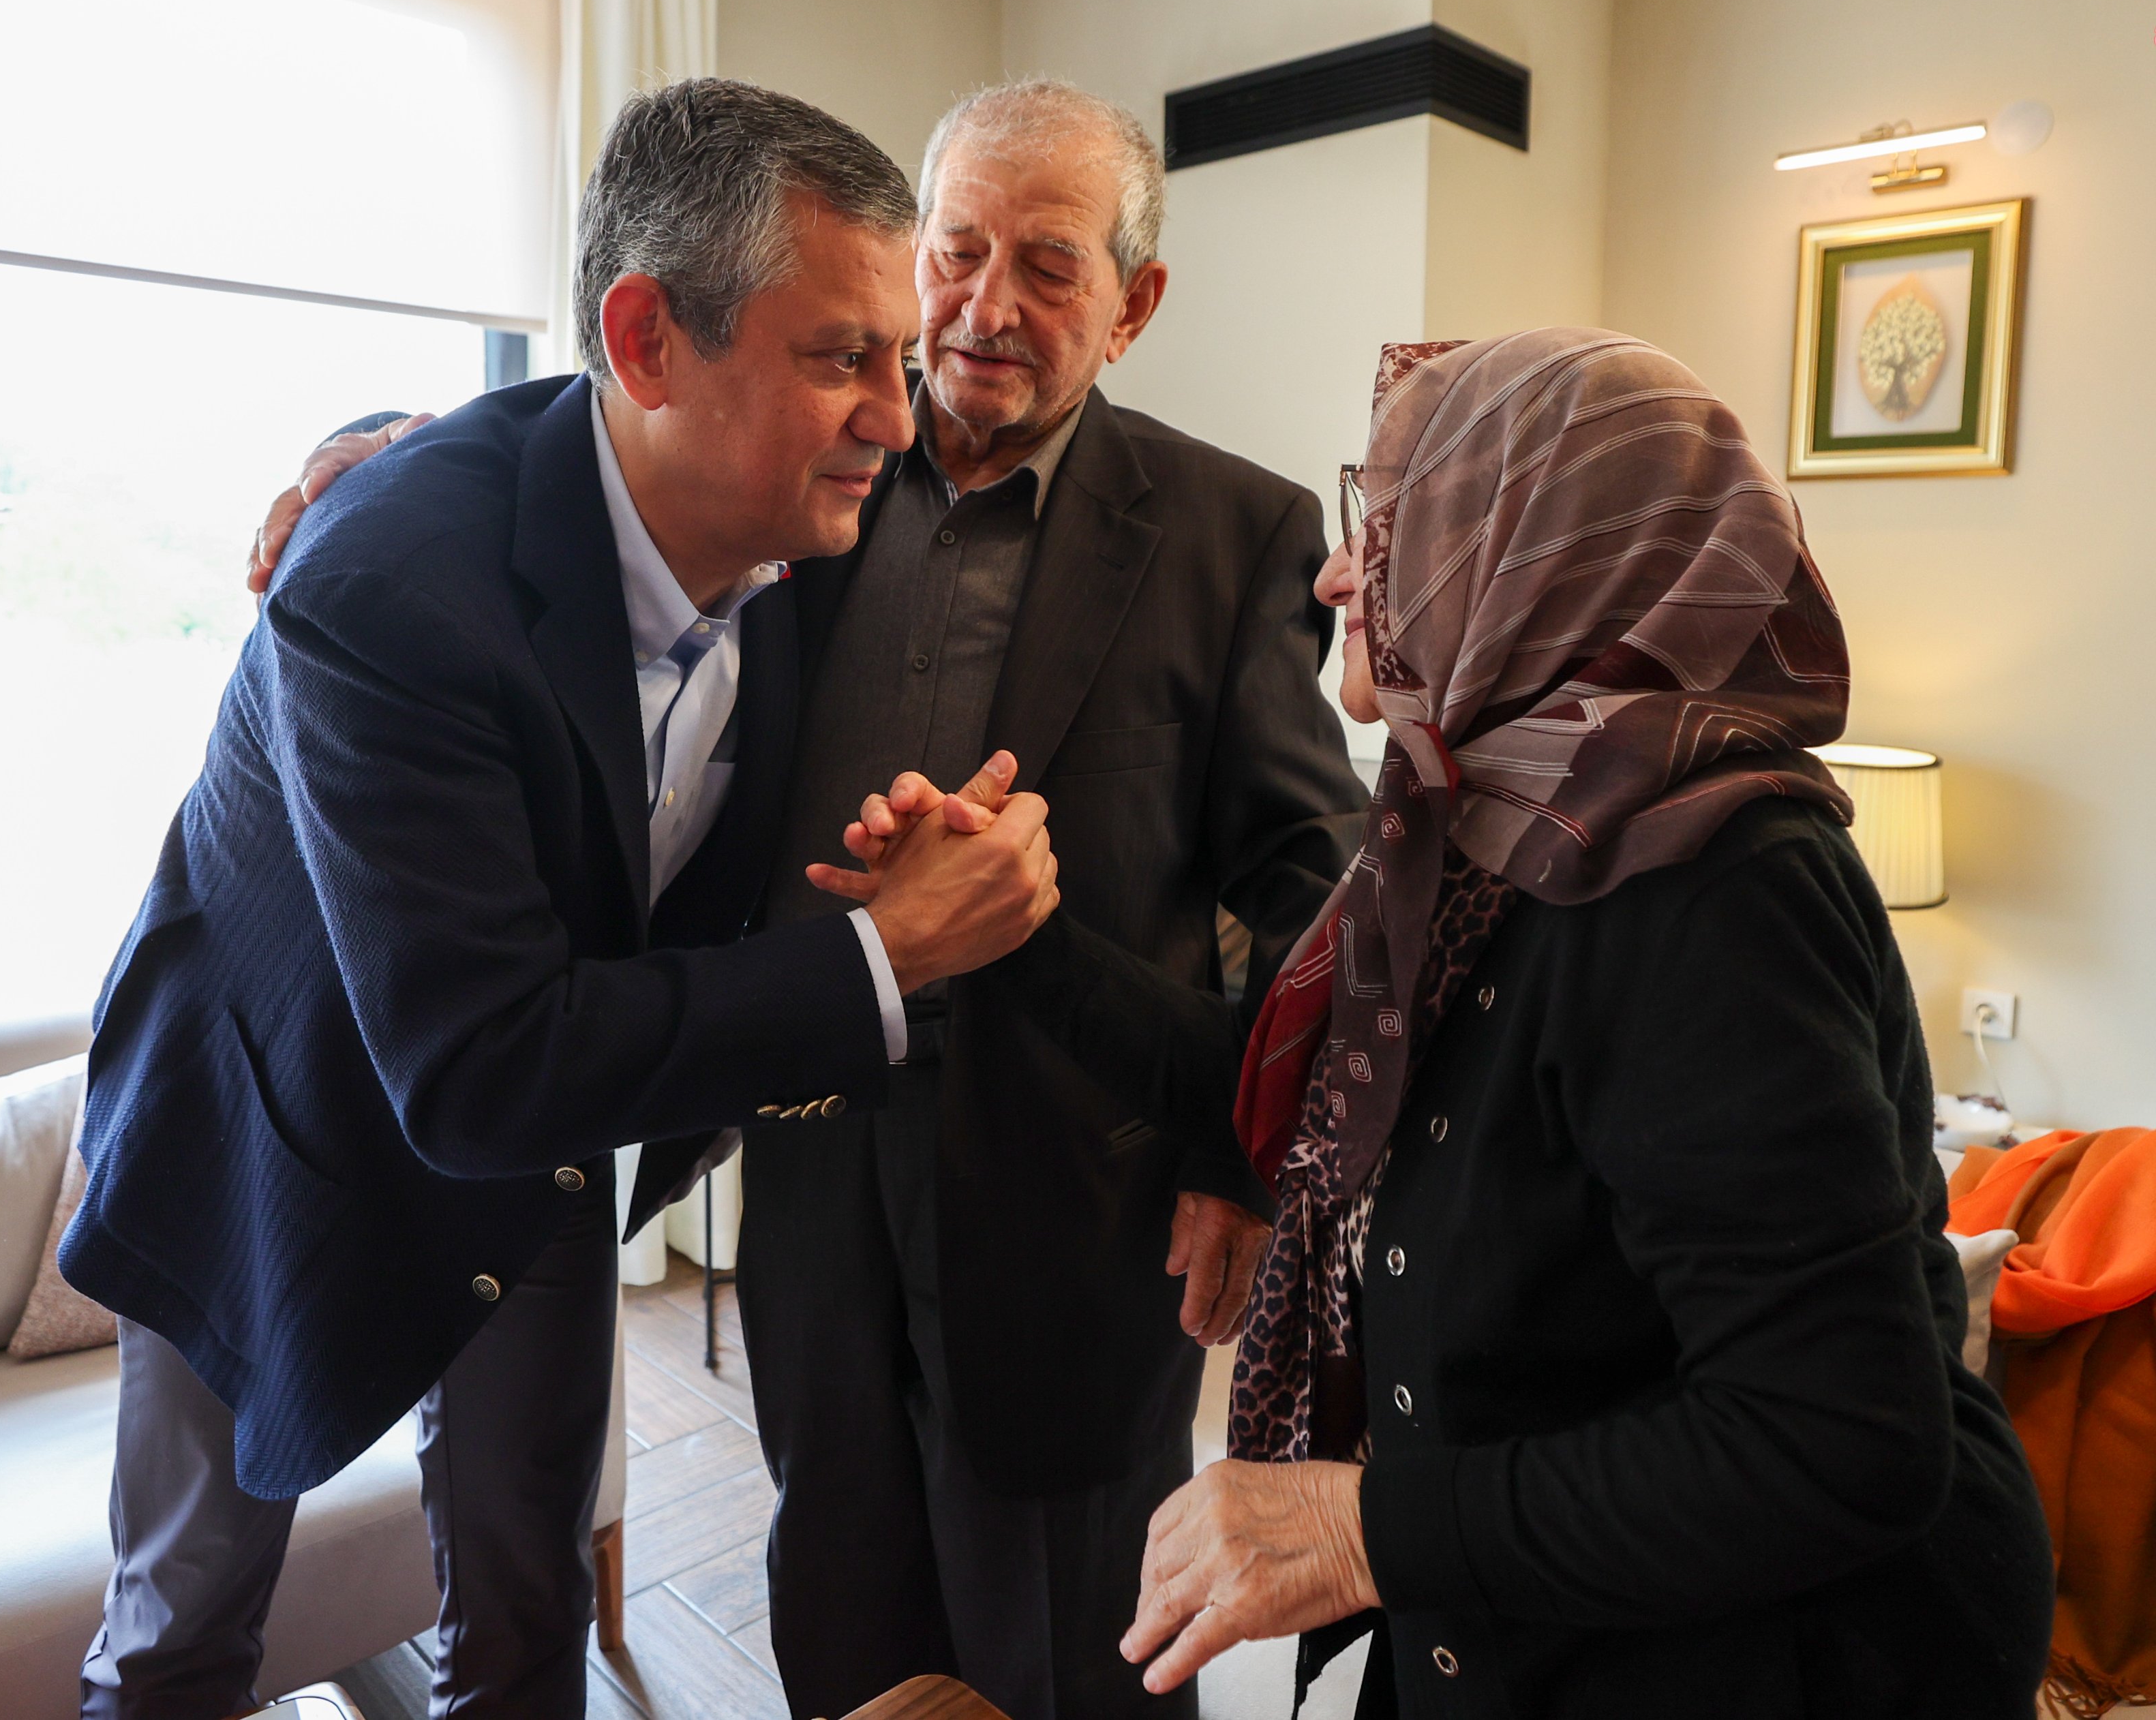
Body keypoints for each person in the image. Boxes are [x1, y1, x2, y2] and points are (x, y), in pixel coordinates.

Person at [258, 78, 1364, 1720]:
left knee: (1076, 1632)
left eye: (1047, 265)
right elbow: (600, 457)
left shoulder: (1233, 529)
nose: (983, 305)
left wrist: (1239, 1154)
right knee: (837, 1579)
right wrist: (367, 467)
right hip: (804, 1128)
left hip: (1071, 1183)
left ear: (1131, 306)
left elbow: (1310, 882)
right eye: (957, 250)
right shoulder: (793, 467)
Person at [872, 329, 2056, 1715]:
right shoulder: (1490, 824)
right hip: (1516, 1626)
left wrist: (1358, 1530)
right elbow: (1302, 1099)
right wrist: (1006, 933)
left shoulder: (1722, 890)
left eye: (1393, 521)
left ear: (1544, 552)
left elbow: (1833, 1443)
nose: (1335, 573)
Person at [63, 80, 1060, 1720]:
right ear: (648, 342)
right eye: (841, 357)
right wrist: (881, 953)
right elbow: (476, 1063)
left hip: (536, 1143)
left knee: (528, 1619)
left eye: (897, 356)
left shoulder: (799, 524)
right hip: (266, 1133)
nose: (898, 418)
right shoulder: (380, 582)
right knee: (186, 1632)